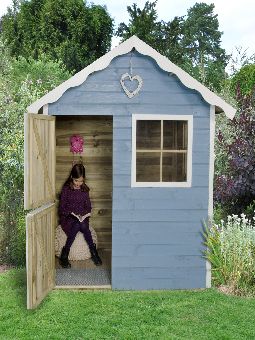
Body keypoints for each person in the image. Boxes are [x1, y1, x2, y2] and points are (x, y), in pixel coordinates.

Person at [58, 163, 102, 268]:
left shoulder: (85, 190)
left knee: (81, 224)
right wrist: (71, 213)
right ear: (72, 177)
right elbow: (61, 209)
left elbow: (88, 207)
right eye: (76, 180)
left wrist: (84, 214)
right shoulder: (66, 189)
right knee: (78, 224)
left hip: (82, 219)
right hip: (68, 219)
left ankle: (65, 255)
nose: (78, 183)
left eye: (81, 181)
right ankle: (93, 252)